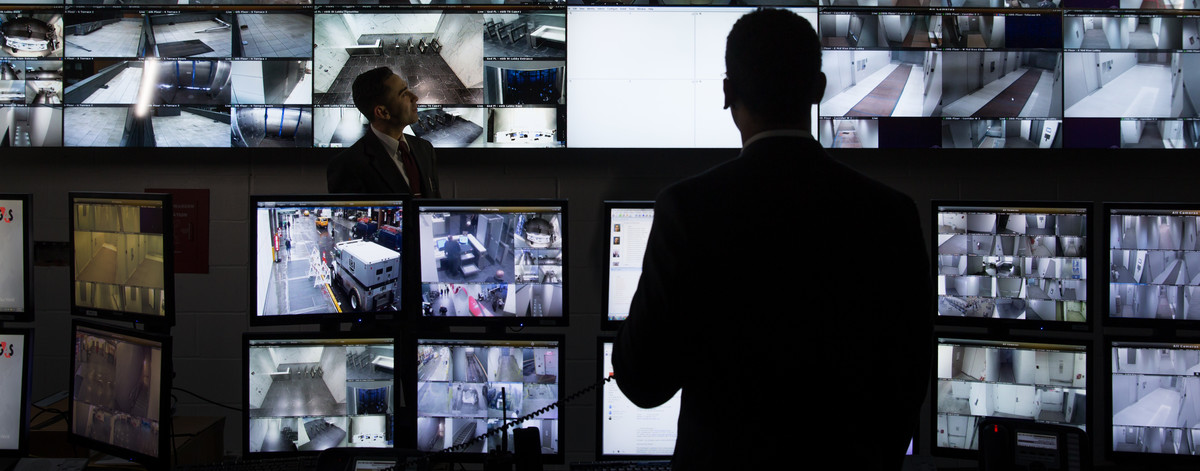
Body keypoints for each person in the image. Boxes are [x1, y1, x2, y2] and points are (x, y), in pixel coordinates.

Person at [612, 9, 932, 470]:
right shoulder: (892, 215)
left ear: (727, 93)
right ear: (819, 90)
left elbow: (642, 382)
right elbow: (908, 382)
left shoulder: (688, 209)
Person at [327, 67, 441, 197]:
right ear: (382, 112)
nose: (415, 97)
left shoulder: (425, 148)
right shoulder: (347, 166)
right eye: (403, 94)